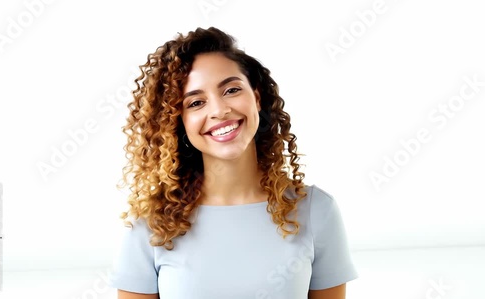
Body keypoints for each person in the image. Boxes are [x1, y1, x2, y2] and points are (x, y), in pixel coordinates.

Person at [109, 26, 358, 299]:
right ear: (177, 121)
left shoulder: (316, 210)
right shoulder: (151, 225)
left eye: (231, 90)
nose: (219, 110)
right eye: (195, 103)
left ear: (257, 96)